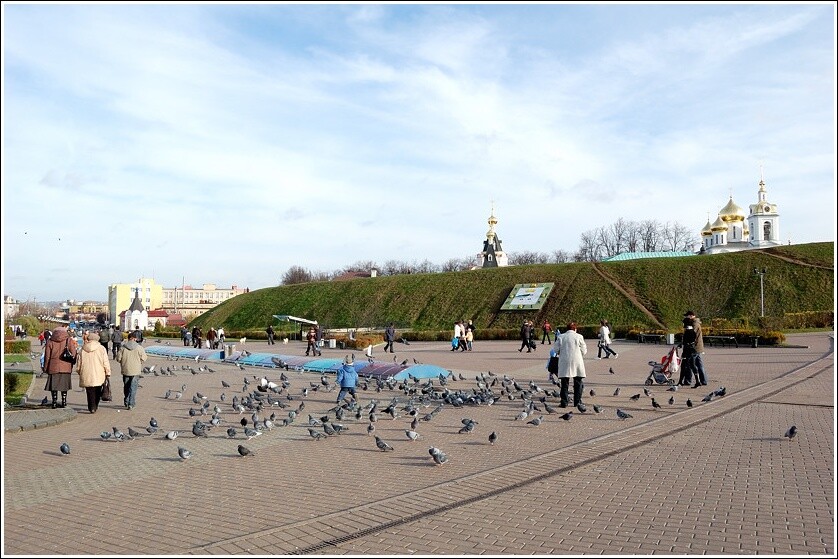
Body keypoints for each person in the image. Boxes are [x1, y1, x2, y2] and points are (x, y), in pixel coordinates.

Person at [552, 322, 588, 408]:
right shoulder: (579, 336)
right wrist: (579, 354)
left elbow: (556, 349)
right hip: (577, 361)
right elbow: (584, 350)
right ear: (575, 329)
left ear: (567, 329)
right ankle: (577, 402)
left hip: (565, 361)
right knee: (578, 382)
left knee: (564, 383)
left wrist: (562, 352)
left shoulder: (561, 337)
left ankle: (564, 402)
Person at [42, 326, 78, 409]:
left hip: (53, 366)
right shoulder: (68, 340)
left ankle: (54, 402)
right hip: (66, 366)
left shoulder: (50, 341)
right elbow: (74, 353)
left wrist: (45, 367)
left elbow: (47, 356)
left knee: (53, 386)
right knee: (64, 385)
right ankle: (64, 401)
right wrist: (72, 363)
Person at [76, 332, 111, 414]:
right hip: (99, 373)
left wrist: (79, 371)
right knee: (98, 391)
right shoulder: (101, 349)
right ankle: (95, 405)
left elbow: (79, 363)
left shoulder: (82, 349)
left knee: (89, 391)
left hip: (87, 373)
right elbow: (105, 362)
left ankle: (91, 407)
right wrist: (107, 371)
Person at [116, 330, 147, 410]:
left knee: (126, 386)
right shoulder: (139, 348)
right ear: (134, 338)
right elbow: (144, 358)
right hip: (136, 370)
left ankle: (126, 401)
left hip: (125, 369)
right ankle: (131, 403)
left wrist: (123, 362)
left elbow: (118, 358)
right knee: (133, 387)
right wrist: (139, 362)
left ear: (129, 338)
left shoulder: (123, 347)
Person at [684, 310, 708, 387]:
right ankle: (703, 380)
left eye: (687, 316)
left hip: (694, 348)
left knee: (690, 364)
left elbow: (691, 335)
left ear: (691, 316)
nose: (686, 318)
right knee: (699, 364)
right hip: (699, 347)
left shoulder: (694, 324)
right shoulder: (696, 323)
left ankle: (688, 381)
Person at [678, 317, 698, 386]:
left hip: (687, 351)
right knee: (693, 366)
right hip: (692, 350)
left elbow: (686, 342)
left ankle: (680, 381)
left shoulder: (687, 332)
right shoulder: (693, 331)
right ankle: (697, 381)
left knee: (684, 366)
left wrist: (682, 344)